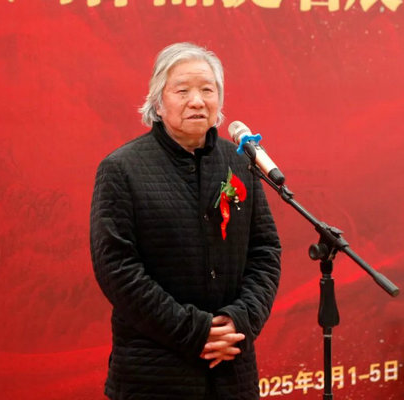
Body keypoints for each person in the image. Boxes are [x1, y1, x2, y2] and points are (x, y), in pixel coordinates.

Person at [89, 42, 282, 400]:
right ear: (158, 101)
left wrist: (239, 321)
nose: (197, 101)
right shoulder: (122, 169)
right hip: (155, 373)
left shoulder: (240, 162)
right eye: (182, 91)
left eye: (207, 90)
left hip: (232, 369)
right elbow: (117, 269)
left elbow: (265, 251)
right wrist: (195, 331)